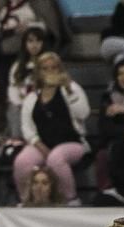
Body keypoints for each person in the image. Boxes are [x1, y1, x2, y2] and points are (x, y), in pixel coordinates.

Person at [14, 52, 89, 205]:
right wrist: (40, 146)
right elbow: (26, 128)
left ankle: (71, 200)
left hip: (72, 142)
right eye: (45, 68)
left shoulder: (72, 88)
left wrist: (69, 90)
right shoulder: (32, 97)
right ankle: (27, 200)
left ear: (60, 69)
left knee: (55, 158)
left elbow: (84, 113)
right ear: (39, 72)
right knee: (22, 162)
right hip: (43, 144)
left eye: (54, 67)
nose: (50, 71)